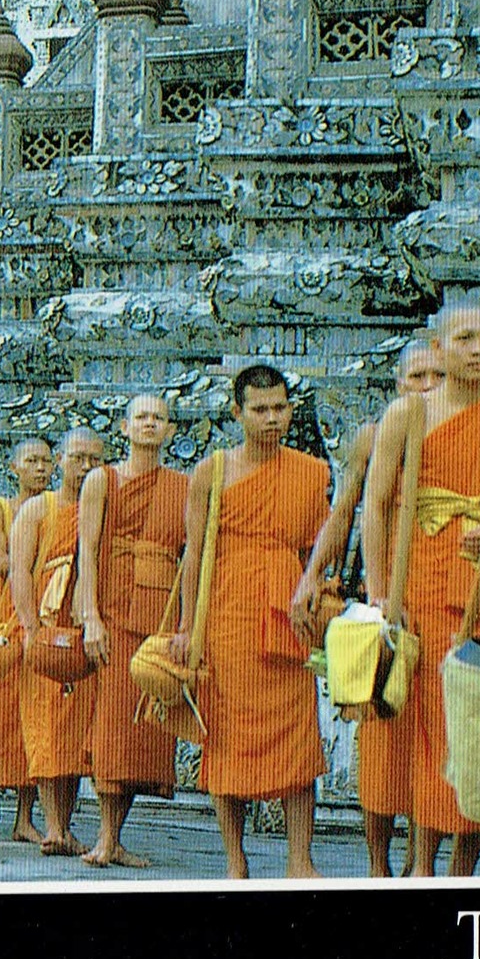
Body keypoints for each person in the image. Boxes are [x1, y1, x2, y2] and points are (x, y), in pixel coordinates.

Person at [362, 301, 480, 877]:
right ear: (439, 346)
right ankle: (419, 867)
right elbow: (376, 505)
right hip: (425, 586)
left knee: (475, 729)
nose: (479, 348)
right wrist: (382, 589)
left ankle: (460, 869)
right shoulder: (408, 414)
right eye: (465, 338)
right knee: (427, 726)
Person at [290, 338, 441, 877]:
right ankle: (379, 865)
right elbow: (345, 510)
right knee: (380, 735)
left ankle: (421, 864)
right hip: (383, 593)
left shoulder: (465, 431)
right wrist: (311, 575)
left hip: (443, 589)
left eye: (437, 377)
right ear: (399, 385)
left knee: (434, 737)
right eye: (418, 377)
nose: (428, 388)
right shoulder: (374, 438)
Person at [174, 366, 330, 878]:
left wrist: (322, 602)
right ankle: (235, 858)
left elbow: (317, 550)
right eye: (260, 410)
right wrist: (184, 630)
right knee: (227, 735)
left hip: (289, 611)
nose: (272, 419)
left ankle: (300, 857)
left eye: (280, 408)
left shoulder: (311, 471)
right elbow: (194, 555)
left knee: (297, 731)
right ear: (236, 412)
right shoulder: (212, 471)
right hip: (227, 614)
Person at [74, 395, 189, 868]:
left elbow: (192, 559)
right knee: (113, 726)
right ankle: (104, 836)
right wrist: (90, 617)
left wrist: (186, 627)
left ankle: (114, 837)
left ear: (170, 431)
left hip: (159, 614)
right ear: (124, 427)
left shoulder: (183, 486)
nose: (149, 424)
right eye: (141, 417)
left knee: (145, 728)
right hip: (115, 612)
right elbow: (88, 549)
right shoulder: (103, 479)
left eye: (158, 418)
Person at [9, 427, 106, 855]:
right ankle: (52, 825)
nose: (85, 467)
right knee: (46, 728)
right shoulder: (39, 509)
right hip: (47, 626)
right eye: (78, 458)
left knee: (77, 732)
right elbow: (20, 572)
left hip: (87, 626)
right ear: (60, 460)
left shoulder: (103, 506)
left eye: (93, 460)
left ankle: (65, 824)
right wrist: (31, 629)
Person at [0, 439, 52, 844]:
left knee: (33, 720)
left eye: (45, 462)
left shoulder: (57, 507)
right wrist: (34, 561)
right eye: (31, 461)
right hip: (4, 618)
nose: (40, 468)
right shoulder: (0, 509)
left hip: (46, 613)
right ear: (14, 467)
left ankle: (25, 817)